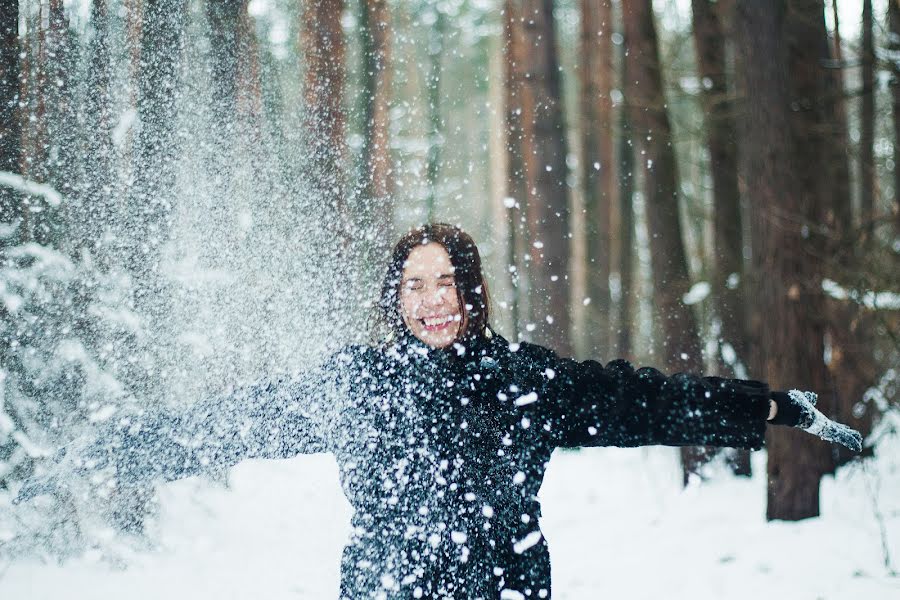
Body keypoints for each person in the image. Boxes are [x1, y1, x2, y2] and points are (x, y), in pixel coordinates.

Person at [18, 223, 861, 600]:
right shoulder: (357, 385)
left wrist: (775, 405)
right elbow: (225, 425)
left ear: (473, 292)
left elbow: (646, 397)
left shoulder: (530, 382)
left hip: (505, 587)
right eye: (414, 285)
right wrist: (102, 451)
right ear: (396, 298)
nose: (432, 302)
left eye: (447, 282)